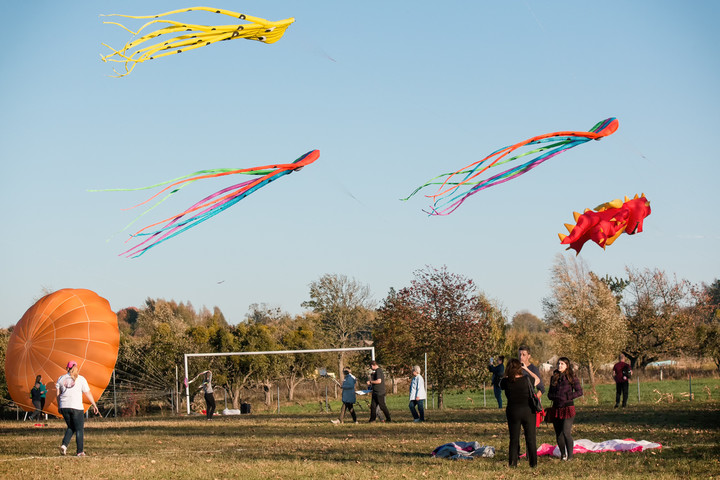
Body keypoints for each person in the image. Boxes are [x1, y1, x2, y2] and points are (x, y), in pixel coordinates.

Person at [500, 358, 541, 468]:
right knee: (531, 438)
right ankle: (533, 463)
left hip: (513, 412)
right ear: (520, 368)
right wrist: (526, 369)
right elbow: (537, 379)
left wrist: (508, 374)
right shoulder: (527, 380)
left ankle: (513, 463)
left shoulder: (506, 381)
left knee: (514, 439)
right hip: (528, 411)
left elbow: (500, 384)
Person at [56, 360, 99, 457]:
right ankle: (80, 451)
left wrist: (59, 405)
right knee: (79, 429)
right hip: (76, 407)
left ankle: (64, 445)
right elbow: (87, 393)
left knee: (71, 427)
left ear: (67, 368)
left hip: (64, 406)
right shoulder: (81, 379)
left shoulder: (60, 378)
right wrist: (94, 404)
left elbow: (58, 394)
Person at [547, 357, 583, 461]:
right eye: (558, 363)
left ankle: (570, 456)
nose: (559, 365)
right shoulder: (554, 377)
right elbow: (549, 394)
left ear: (567, 365)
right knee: (558, 433)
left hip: (568, 407)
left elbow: (579, 392)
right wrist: (554, 396)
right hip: (556, 408)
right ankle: (563, 455)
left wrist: (568, 396)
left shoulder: (572, 377)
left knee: (566, 432)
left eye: (562, 364)